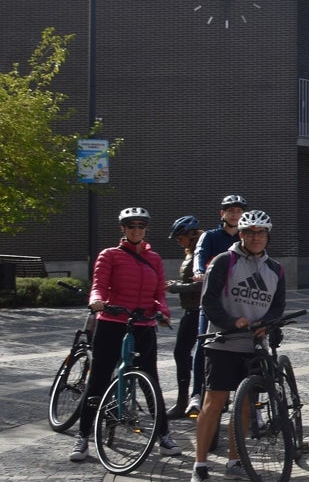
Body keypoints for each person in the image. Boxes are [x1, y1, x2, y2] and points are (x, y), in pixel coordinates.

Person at [71, 207, 179, 462]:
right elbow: (99, 285)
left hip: (143, 325)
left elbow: (159, 293)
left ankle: (163, 434)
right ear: (123, 229)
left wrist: (162, 311)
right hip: (113, 321)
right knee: (98, 379)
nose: (136, 230)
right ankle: (83, 437)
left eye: (141, 226)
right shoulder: (110, 255)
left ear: (146, 229)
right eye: (131, 226)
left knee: (150, 379)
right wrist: (97, 300)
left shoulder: (154, 258)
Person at [190, 209, 285, 482]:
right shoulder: (223, 261)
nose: (256, 237)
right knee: (213, 404)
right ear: (241, 235)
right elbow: (208, 303)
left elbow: (278, 307)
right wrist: (232, 322)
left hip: (253, 346)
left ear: (267, 236)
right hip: (223, 342)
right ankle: (200, 465)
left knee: (244, 406)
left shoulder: (276, 269)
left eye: (261, 233)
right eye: (251, 232)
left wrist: (265, 324)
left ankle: (235, 461)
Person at [187, 193, 248, 415]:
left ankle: (249, 401)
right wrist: (199, 271)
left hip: (237, 302)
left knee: (246, 349)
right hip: (213, 301)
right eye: (230, 211)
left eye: (239, 211)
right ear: (222, 213)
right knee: (204, 345)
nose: (234, 214)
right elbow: (199, 254)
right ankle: (196, 394)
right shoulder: (211, 236)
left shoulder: (245, 238)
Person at [164, 215, 203, 418]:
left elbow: (203, 282)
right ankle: (189, 396)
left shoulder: (202, 251)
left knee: (182, 352)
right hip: (192, 308)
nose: (179, 243)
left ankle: (183, 403)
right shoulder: (193, 251)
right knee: (186, 354)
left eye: (180, 238)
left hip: (199, 310)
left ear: (191, 234)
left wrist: (176, 287)